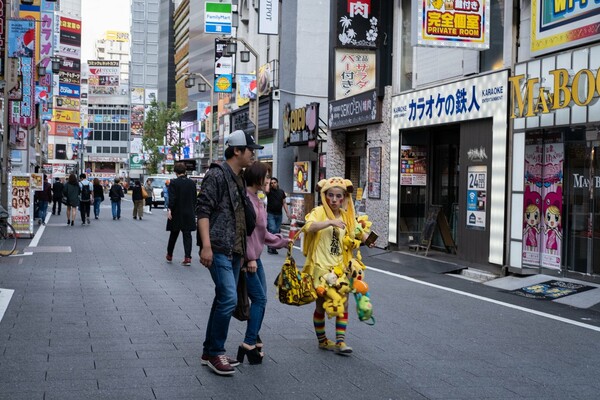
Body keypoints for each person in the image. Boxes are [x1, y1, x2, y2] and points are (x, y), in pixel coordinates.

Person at [196, 129, 263, 376]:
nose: (253, 155)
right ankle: (216, 352)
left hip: (235, 249)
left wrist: (246, 254)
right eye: (251, 150)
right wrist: (206, 246)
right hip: (218, 247)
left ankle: (208, 351)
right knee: (228, 299)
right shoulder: (216, 174)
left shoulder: (240, 178)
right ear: (237, 150)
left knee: (221, 298)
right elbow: (202, 210)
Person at [302, 177, 374, 356]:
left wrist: (367, 239)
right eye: (331, 195)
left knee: (344, 304)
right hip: (320, 267)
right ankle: (322, 340)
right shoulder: (319, 212)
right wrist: (329, 222)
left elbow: (356, 231)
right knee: (321, 306)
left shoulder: (346, 215)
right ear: (324, 196)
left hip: (340, 268)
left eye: (338, 196)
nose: (334, 200)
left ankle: (341, 342)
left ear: (344, 198)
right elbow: (308, 227)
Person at [237, 162, 290, 365]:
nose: (269, 180)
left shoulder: (259, 200)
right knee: (259, 299)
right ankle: (249, 343)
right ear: (257, 179)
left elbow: (261, 233)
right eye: (266, 177)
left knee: (262, 300)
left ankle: (255, 340)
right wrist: (250, 258)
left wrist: (282, 241)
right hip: (249, 260)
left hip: (255, 258)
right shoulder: (246, 201)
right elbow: (245, 232)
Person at [166, 163, 197, 266]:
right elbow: (194, 199)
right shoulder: (192, 183)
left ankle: (169, 255)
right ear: (185, 171)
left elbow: (172, 198)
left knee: (173, 234)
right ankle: (187, 257)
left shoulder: (174, 183)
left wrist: (170, 209)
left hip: (177, 212)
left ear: (176, 172)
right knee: (187, 235)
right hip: (189, 212)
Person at [266, 177, 291, 254]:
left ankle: (273, 247)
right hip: (271, 213)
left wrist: (287, 213)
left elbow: (284, 203)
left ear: (277, 183)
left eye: (274, 182)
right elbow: (266, 190)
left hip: (279, 214)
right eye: (272, 183)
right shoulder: (269, 191)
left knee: (276, 231)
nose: (273, 184)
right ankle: (270, 246)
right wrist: (268, 182)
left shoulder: (281, 192)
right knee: (272, 229)